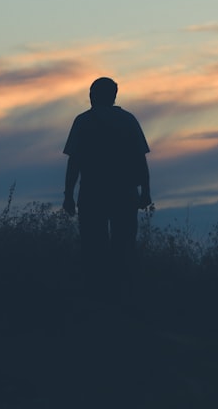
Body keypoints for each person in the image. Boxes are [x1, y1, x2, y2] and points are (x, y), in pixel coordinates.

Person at [62, 77, 151, 298]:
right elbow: (140, 160)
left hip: (93, 193)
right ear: (114, 96)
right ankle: (123, 295)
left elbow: (74, 162)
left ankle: (99, 296)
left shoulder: (83, 122)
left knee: (93, 248)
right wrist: (146, 191)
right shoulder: (128, 120)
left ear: (94, 95)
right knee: (124, 246)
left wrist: (68, 195)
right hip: (124, 193)